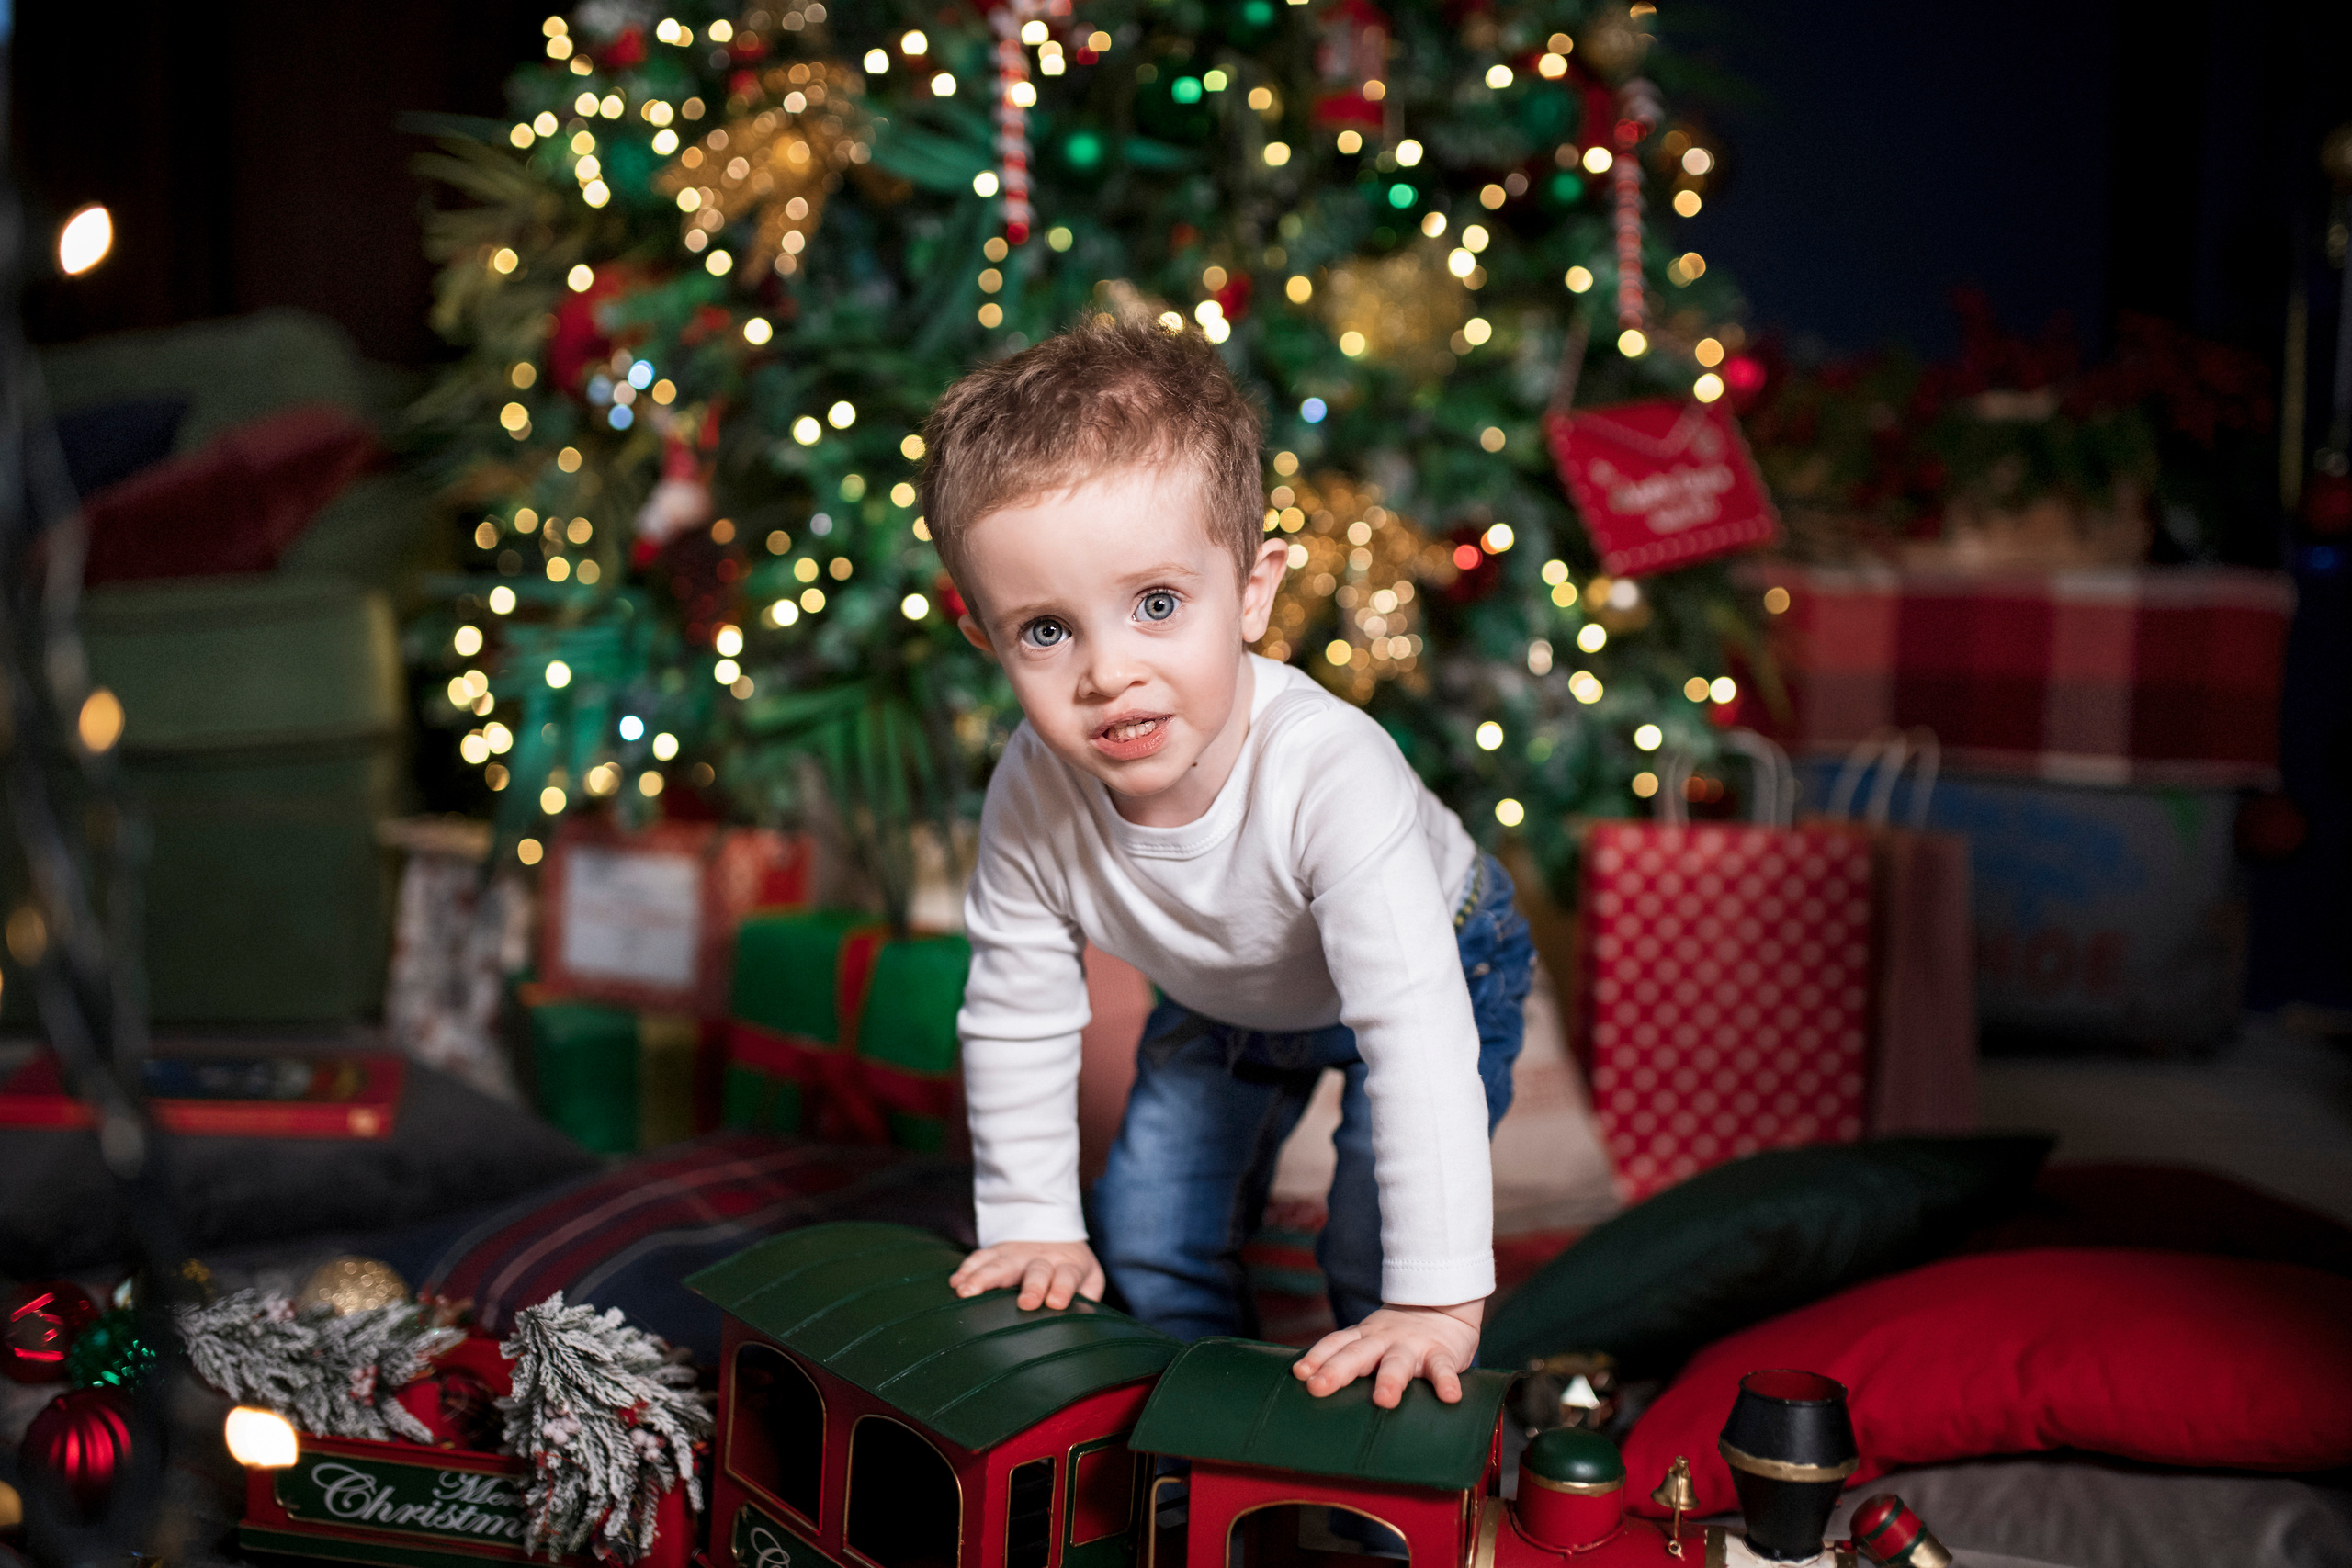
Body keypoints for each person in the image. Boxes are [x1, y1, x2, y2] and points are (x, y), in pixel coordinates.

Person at [926, 315, 1534, 1409]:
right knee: (1150, 1237)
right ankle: (1194, 1450)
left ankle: (1385, 1483)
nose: (1110, 672)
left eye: (1157, 606)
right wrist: (1031, 1221)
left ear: (1251, 593)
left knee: (1375, 1259)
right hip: (1227, 996)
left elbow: (1414, 1034)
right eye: (1047, 632)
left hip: (1437, 962)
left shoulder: (1329, 772)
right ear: (988, 640)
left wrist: (1437, 1298)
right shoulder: (1032, 786)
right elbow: (1017, 1005)